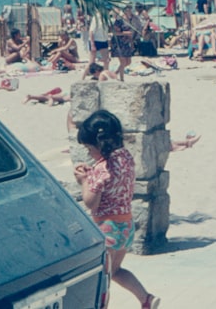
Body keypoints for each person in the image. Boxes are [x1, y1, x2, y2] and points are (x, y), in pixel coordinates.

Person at [74, 110, 159, 309]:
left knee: (102, 277)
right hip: (125, 224)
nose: (88, 153)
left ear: (99, 144)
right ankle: (146, 299)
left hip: (107, 227)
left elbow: (90, 202)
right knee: (116, 270)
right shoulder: (125, 158)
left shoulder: (101, 169)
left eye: (88, 148)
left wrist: (84, 181)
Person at [110, 7, 137, 78]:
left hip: (126, 43)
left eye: (130, 9)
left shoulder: (129, 20)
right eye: (127, 9)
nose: (129, 10)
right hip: (118, 42)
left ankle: (115, 73)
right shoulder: (119, 20)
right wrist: (126, 33)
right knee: (123, 62)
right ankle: (121, 78)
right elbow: (115, 33)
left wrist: (132, 44)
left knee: (128, 62)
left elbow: (130, 33)